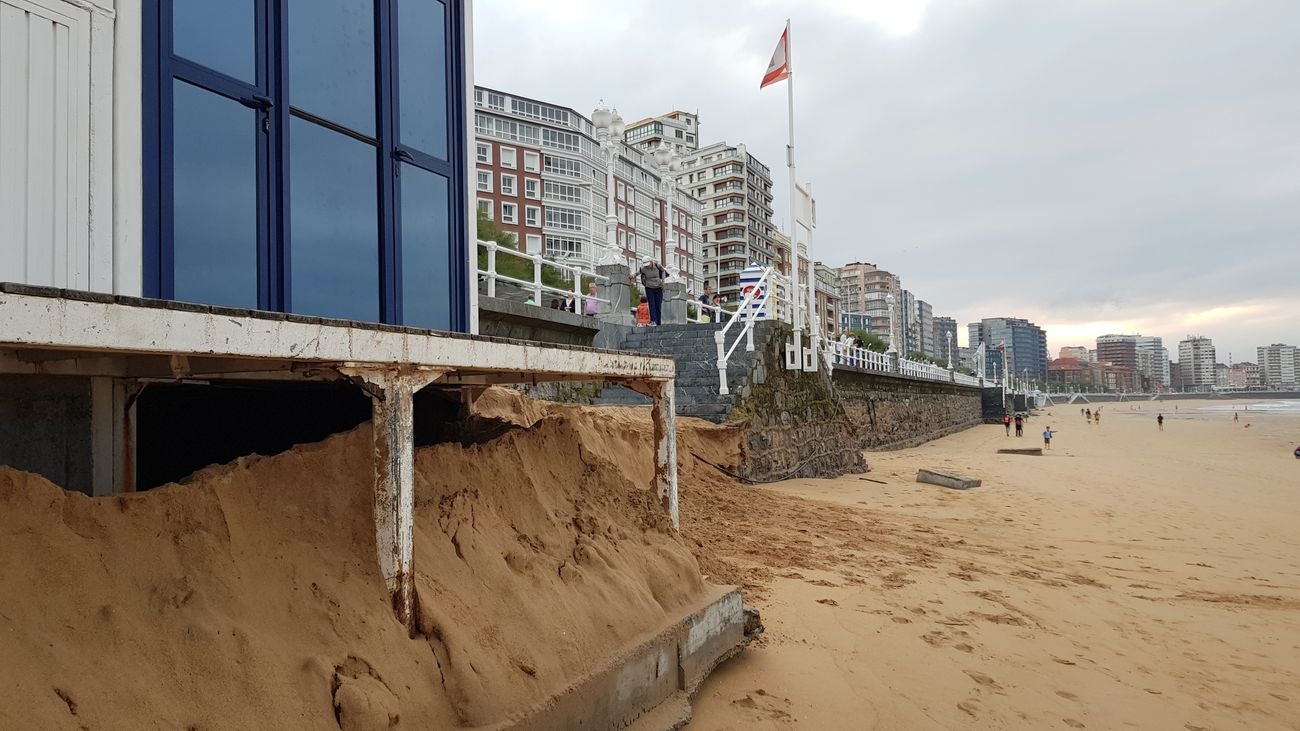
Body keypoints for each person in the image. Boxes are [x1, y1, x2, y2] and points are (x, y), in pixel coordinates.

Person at [637, 257, 669, 326]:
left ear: (651, 262)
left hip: (658, 288)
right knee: (651, 305)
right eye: (646, 265)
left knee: (658, 306)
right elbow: (637, 273)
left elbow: (663, 271)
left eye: (648, 264)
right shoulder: (643, 268)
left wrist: (663, 281)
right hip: (649, 288)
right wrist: (632, 276)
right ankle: (653, 321)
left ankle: (658, 323)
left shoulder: (658, 266)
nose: (647, 266)